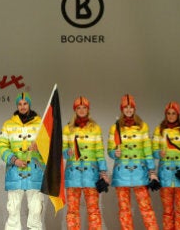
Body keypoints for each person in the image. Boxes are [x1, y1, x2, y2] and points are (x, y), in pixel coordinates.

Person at [107, 94, 159, 230]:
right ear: (122, 109)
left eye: (131, 107)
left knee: (146, 209)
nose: (128, 110)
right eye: (126, 107)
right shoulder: (115, 127)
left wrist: (152, 171)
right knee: (124, 211)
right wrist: (114, 153)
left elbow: (147, 151)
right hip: (121, 173)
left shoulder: (143, 126)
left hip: (140, 173)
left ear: (134, 109)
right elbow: (110, 150)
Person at [0, 92, 45, 230]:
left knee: (36, 210)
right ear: (17, 105)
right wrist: (14, 160)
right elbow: (2, 147)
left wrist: (40, 147)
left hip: (35, 172)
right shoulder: (8, 124)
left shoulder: (40, 123)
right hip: (14, 171)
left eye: (25, 103)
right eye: (20, 104)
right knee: (13, 210)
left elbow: (49, 146)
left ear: (29, 104)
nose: (23, 106)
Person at [62, 96, 109, 230]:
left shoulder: (95, 128)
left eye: (84, 108)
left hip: (91, 175)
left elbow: (100, 152)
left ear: (88, 109)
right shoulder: (67, 129)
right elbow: (62, 151)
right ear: (75, 110)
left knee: (94, 211)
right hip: (72, 175)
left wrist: (103, 172)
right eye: (79, 108)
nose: (81, 110)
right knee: (72, 212)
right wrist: (67, 152)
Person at [153, 101, 180, 230]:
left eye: (173, 113)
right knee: (167, 211)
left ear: (178, 114)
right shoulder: (159, 130)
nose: (171, 116)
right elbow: (153, 152)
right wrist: (158, 153)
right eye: (168, 113)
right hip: (165, 175)